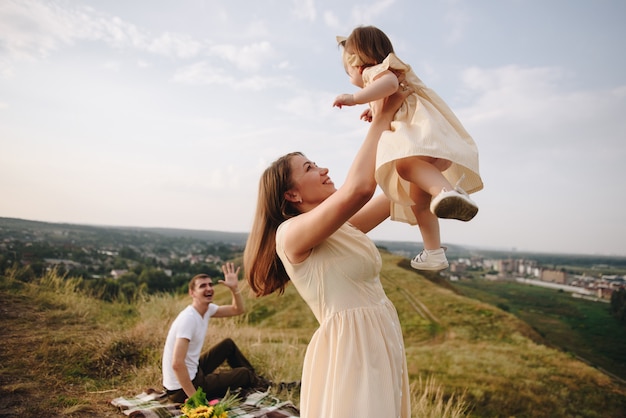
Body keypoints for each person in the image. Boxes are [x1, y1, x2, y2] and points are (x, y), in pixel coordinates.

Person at [244, 87, 412, 417]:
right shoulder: (289, 235)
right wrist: (380, 118)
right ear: (291, 194)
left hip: (383, 341)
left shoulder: (342, 228)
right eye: (309, 168)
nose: (323, 170)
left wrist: (408, 133)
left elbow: (398, 192)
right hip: (352, 353)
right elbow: (360, 188)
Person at [333, 25, 484, 271]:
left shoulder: (378, 71)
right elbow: (386, 91)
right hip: (431, 146)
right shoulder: (382, 75)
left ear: (359, 64)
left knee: (404, 165)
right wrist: (371, 107)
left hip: (421, 138)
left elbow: (390, 84)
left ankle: (447, 191)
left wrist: (355, 99)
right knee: (418, 202)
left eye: (348, 73)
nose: (352, 81)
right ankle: (434, 252)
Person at [162, 263, 269, 403]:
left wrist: (234, 288)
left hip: (193, 371)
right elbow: (177, 363)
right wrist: (196, 399)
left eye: (210, 285)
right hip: (181, 390)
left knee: (227, 345)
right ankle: (263, 384)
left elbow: (238, 310)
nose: (209, 288)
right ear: (192, 293)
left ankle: (255, 380)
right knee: (243, 374)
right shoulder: (188, 319)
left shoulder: (207, 310)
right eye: (202, 286)